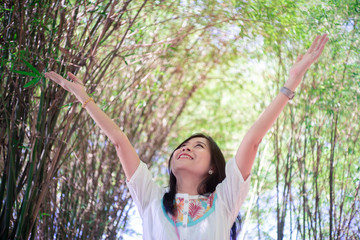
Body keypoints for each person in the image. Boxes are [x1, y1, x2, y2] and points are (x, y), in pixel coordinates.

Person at [45, 34, 328, 239]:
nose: (186, 148)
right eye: (183, 145)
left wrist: (291, 82)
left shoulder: (224, 202)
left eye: (198, 146)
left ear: (213, 167)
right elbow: (119, 139)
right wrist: (84, 99)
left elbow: (253, 140)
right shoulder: (150, 199)